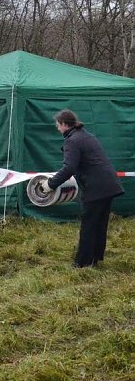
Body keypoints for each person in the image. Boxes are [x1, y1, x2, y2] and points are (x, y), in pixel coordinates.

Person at [42, 109, 124, 268]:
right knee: (100, 224)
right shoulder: (86, 135)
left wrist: (50, 184)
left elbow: (69, 168)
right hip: (109, 185)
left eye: (58, 125)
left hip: (96, 188)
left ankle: (82, 263)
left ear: (65, 124)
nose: (57, 128)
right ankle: (95, 258)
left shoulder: (72, 141)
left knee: (89, 225)